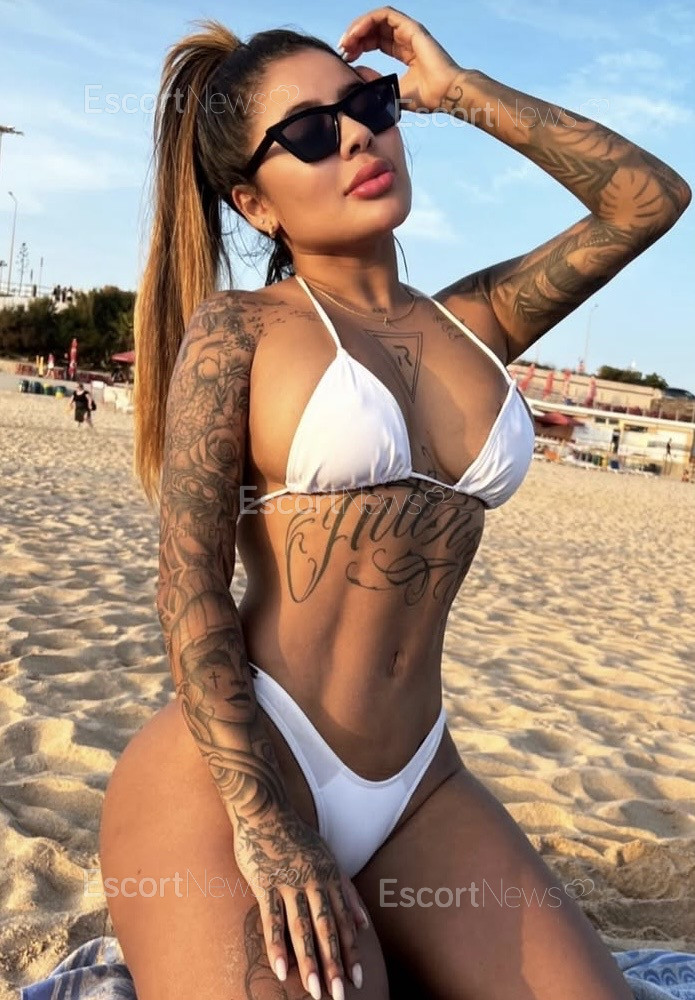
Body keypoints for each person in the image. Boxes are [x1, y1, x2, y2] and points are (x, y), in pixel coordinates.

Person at [98, 9, 691, 1000]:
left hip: (419, 785)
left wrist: (456, 91)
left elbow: (647, 198)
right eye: (307, 132)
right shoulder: (238, 331)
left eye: (367, 105)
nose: (356, 137)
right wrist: (267, 824)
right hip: (236, 768)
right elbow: (188, 588)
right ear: (254, 203)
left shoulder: (476, 325)